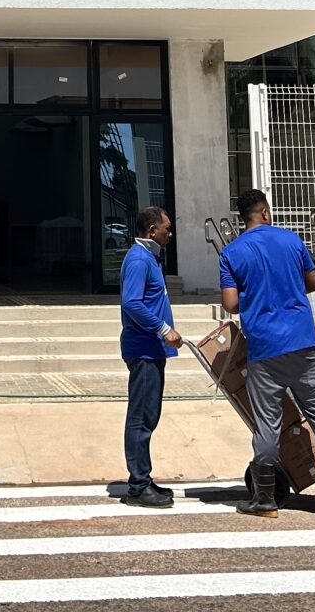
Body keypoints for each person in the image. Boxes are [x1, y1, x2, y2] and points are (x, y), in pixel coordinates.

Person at [219, 190, 315, 520]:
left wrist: (257, 297)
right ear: (265, 212)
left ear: (243, 218)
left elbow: (230, 304)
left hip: (264, 348)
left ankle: (265, 501)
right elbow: (312, 283)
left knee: (267, 424)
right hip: (303, 342)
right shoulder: (292, 241)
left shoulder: (231, 253)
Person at [118, 206, 184, 508]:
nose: (169, 233)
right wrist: (163, 329)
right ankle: (138, 486)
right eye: (166, 228)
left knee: (149, 415)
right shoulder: (139, 259)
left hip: (153, 349)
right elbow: (132, 303)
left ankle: (143, 478)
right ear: (152, 230)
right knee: (141, 417)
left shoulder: (151, 258)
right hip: (143, 348)